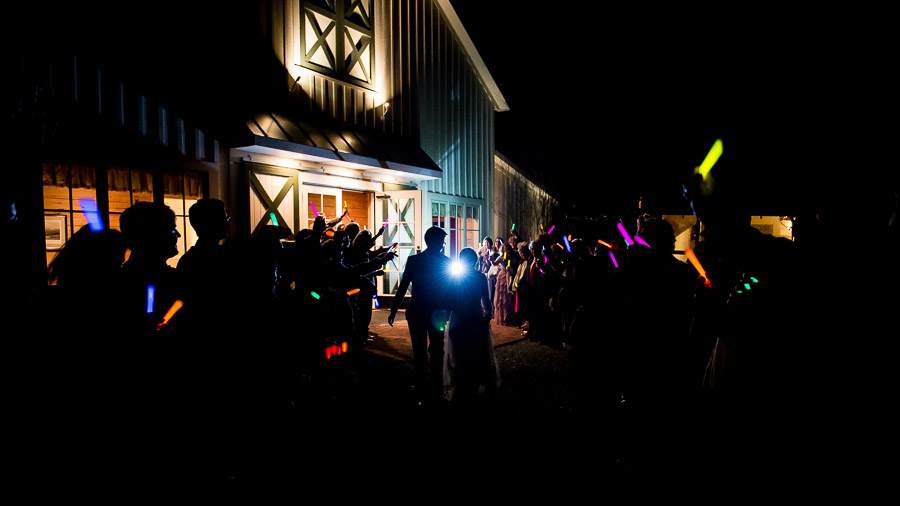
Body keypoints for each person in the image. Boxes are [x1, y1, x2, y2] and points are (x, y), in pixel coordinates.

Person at [388, 226, 452, 404]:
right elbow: (450, 289)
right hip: (436, 311)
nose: (443, 243)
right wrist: (450, 308)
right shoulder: (445, 261)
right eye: (442, 240)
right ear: (436, 242)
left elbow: (403, 286)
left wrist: (394, 309)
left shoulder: (414, 260)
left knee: (420, 350)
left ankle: (421, 386)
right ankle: (435, 386)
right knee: (437, 349)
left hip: (417, 310)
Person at [444, 247, 501, 404]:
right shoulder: (480, 277)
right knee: (476, 350)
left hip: (458, 318)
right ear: (475, 261)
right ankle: (473, 384)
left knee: (459, 351)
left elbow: (448, 300)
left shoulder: (454, 278)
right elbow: (486, 299)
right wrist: (487, 315)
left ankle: (461, 385)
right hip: (475, 316)